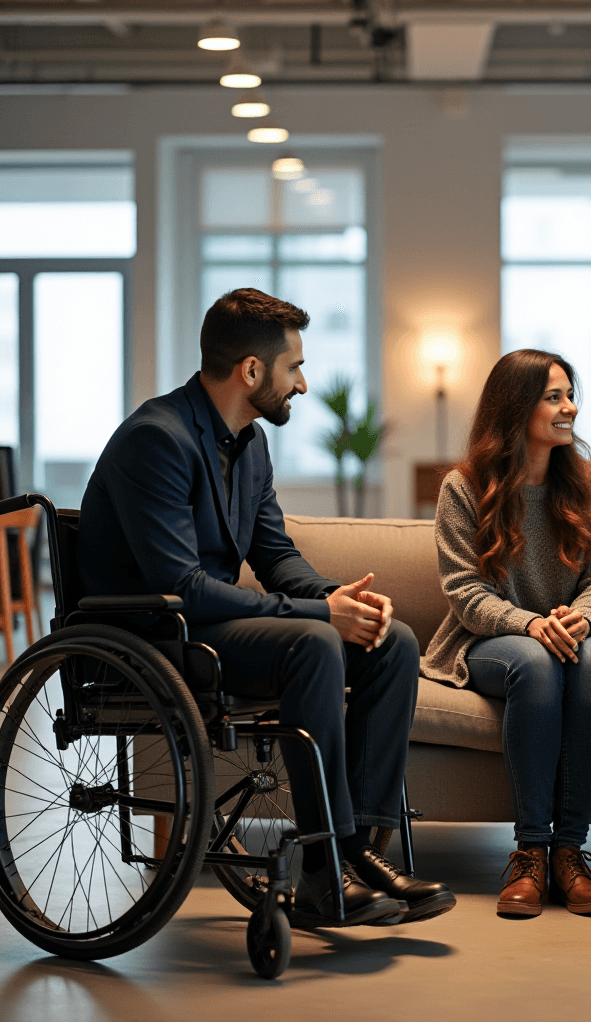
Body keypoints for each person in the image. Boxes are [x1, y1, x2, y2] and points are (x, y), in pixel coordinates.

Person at [77, 288, 456, 926]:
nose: (302, 384)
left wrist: (337, 598)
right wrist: (318, 619)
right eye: (294, 367)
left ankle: (360, 849)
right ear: (252, 370)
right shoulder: (157, 439)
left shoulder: (248, 443)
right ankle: (320, 870)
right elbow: (184, 588)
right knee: (315, 643)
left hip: (209, 632)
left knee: (393, 642)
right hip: (152, 639)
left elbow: (276, 555)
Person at [423, 348, 591, 917]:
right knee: (534, 661)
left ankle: (569, 854)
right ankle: (530, 852)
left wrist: (584, 617)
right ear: (516, 405)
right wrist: (530, 624)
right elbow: (465, 591)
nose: (569, 407)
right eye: (554, 397)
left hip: (578, 632)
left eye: (570, 394)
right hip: (489, 642)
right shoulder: (464, 487)